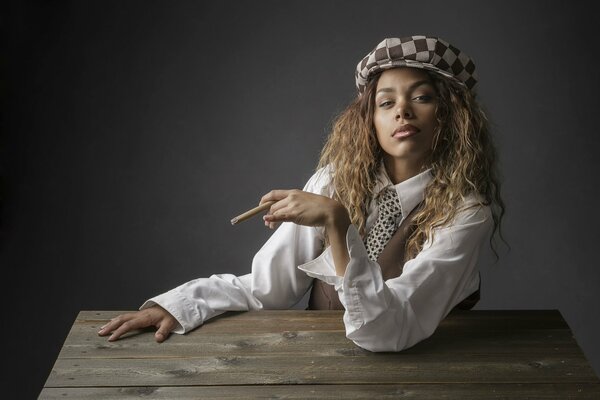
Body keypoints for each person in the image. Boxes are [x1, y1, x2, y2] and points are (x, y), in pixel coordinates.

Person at [98, 35, 504, 352]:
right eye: (385, 102)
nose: (402, 111)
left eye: (421, 97)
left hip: (434, 374)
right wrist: (179, 305)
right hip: (316, 366)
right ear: (370, 120)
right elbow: (265, 288)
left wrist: (338, 225)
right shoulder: (334, 181)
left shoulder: (465, 212)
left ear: (450, 116)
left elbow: (388, 332)